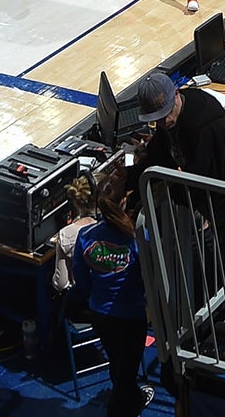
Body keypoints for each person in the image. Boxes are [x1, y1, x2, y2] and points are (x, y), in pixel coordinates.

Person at [128, 67, 225, 361]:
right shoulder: (175, 120)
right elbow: (159, 155)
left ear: (176, 96)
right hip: (221, 205)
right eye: (154, 119)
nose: (161, 123)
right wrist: (131, 177)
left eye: (163, 115)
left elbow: (198, 182)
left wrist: (166, 191)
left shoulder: (201, 126)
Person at [68, 166, 153, 417]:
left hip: (100, 314)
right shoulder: (139, 237)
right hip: (132, 315)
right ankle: (125, 407)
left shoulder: (85, 236)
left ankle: (130, 397)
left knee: (118, 361)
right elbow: (149, 278)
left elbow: (81, 280)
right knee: (127, 367)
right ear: (125, 200)